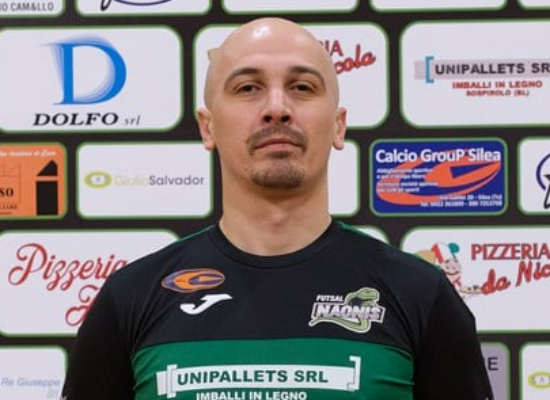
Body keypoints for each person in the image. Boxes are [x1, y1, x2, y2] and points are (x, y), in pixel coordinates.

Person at [61, 17, 493, 400]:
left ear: (338, 125)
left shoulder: (421, 295)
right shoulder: (130, 298)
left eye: (302, 87)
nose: (276, 109)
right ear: (207, 127)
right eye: (247, 88)